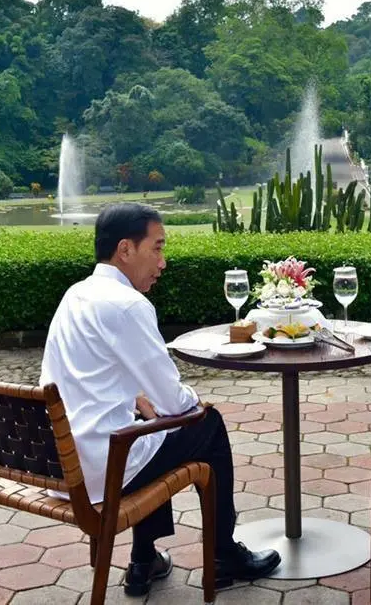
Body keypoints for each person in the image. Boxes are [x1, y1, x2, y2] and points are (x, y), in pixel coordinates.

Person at [40, 203, 280, 596]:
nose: (163, 262)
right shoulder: (129, 304)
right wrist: (193, 401)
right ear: (125, 249)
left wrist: (137, 395)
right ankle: (222, 554)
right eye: (157, 247)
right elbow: (174, 402)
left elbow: (78, 373)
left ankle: (144, 559)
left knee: (146, 429)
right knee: (207, 425)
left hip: (57, 462)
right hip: (101, 470)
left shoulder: (76, 294)